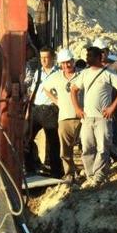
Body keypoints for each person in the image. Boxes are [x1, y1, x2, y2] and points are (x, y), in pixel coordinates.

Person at [70, 45, 117, 187]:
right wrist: (77, 108)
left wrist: (112, 107)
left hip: (102, 118)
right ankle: (91, 176)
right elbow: (74, 90)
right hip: (87, 118)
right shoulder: (85, 74)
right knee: (87, 148)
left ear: (99, 57)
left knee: (103, 147)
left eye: (90, 56)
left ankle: (99, 176)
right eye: (87, 56)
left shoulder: (108, 73)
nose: (87, 59)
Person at [42, 48, 81, 183]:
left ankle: (89, 172)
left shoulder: (82, 75)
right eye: (63, 63)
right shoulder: (56, 76)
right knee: (65, 150)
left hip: (81, 117)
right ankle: (69, 173)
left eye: (68, 62)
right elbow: (46, 88)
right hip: (64, 117)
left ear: (73, 61)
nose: (66, 65)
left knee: (86, 147)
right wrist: (56, 101)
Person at [24, 47, 62, 178]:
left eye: (46, 57)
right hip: (35, 109)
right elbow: (33, 90)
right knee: (26, 138)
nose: (43, 60)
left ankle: (55, 171)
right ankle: (30, 167)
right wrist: (29, 110)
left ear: (52, 58)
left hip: (50, 110)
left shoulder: (58, 74)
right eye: (41, 57)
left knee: (53, 142)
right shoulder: (38, 72)